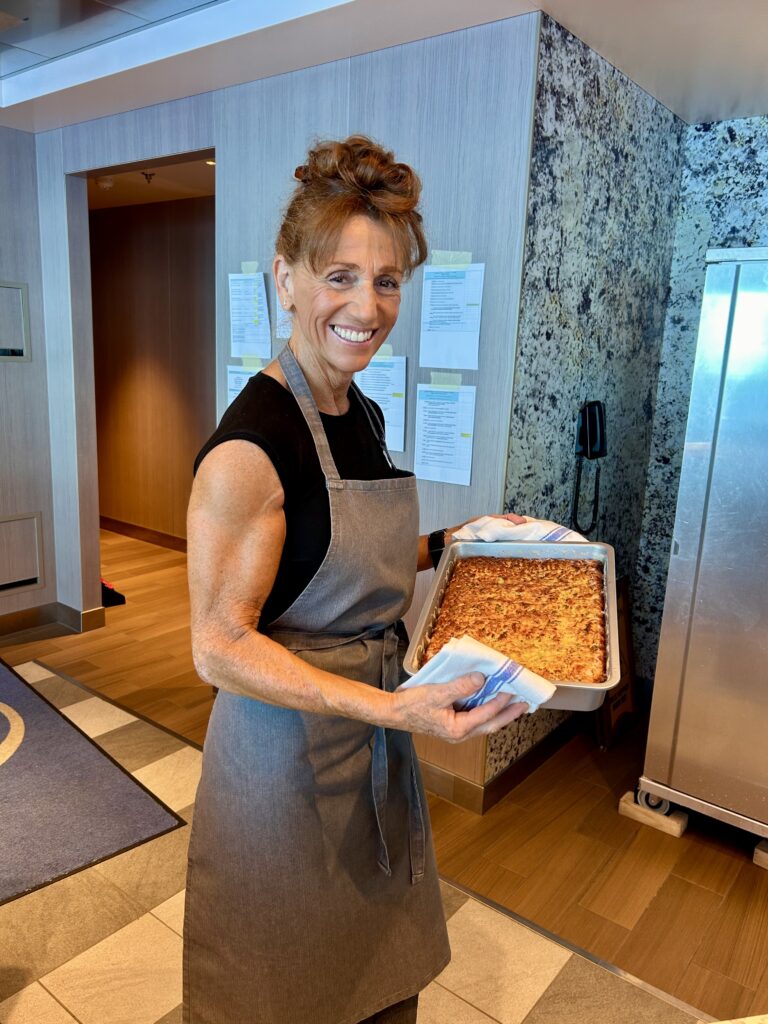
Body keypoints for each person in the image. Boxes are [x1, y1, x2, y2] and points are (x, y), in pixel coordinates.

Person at [183, 135, 528, 1024]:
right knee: (282, 981)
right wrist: (391, 709)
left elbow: (340, 557)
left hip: (375, 730)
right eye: (339, 275)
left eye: (386, 281)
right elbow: (218, 647)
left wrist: (463, 539)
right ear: (286, 277)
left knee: (380, 971)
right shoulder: (251, 448)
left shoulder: (357, 407)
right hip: (282, 760)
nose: (366, 306)